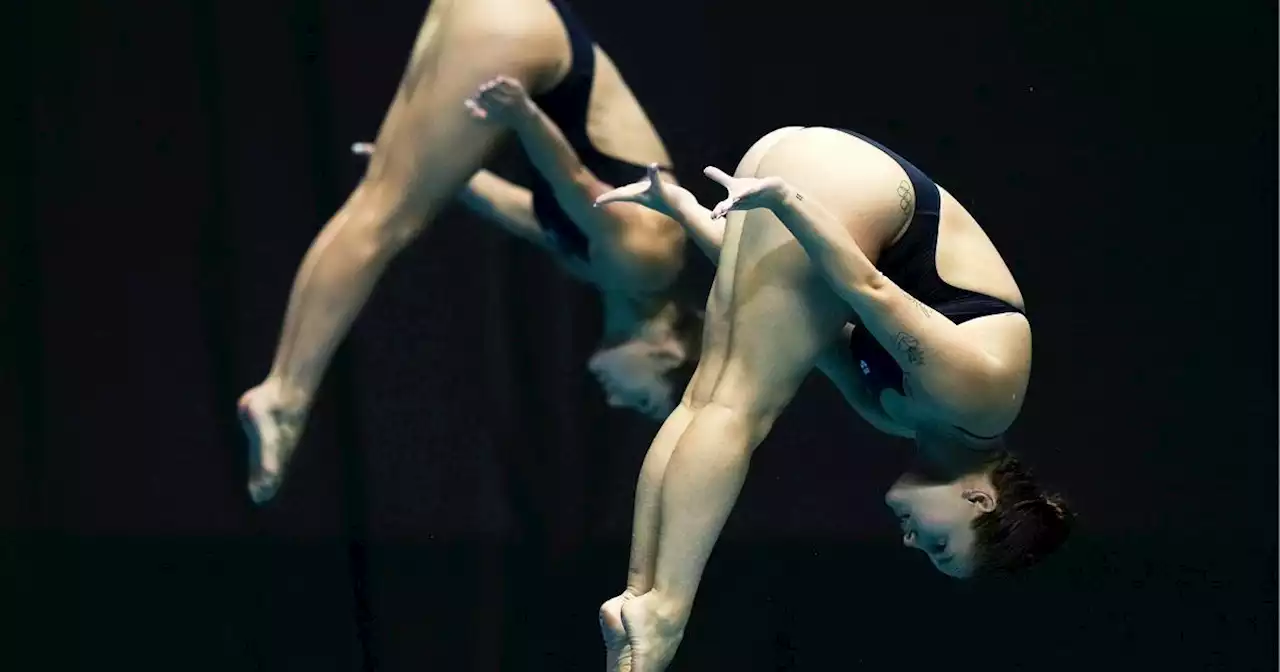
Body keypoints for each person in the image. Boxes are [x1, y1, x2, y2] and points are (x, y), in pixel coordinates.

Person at [591, 127, 1073, 671]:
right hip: (847, 183)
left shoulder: (891, 413)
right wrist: (790, 199)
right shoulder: (980, 402)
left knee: (706, 399)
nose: (913, 544)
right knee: (735, 406)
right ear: (980, 503)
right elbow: (868, 289)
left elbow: (797, 310)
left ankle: (639, 598)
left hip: (804, 173)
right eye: (941, 546)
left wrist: (685, 211)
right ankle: (667, 614)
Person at [237, 0, 705, 504]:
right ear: (669, 352)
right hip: (524, 35)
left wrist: (428, 171)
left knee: (383, 205)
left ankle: (284, 389)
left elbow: (521, 211)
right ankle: (285, 396)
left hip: (514, 26)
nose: (616, 402)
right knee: (381, 220)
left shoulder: (597, 268)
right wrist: (524, 118)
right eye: (642, 399)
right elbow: (575, 183)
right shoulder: (651, 263)